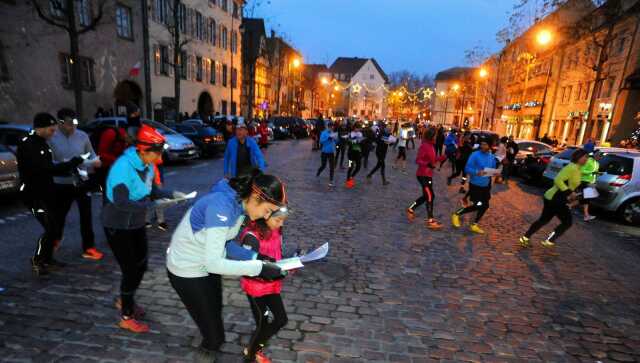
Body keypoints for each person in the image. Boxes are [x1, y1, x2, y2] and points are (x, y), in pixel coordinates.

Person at [166, 171, 285, 362]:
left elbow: (225, 243)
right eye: (268, 210)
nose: (267, 215)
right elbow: (214, 263)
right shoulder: (221, 206)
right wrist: (258, 268)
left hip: (204, 265)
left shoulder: (240, 205)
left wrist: (256, 256)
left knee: (214, 315)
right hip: (186, 270)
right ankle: (206, 350)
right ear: (255, 197)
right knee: (215, 337)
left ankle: (209, 339)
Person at [103, 125, 185, 333]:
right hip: (118, 224)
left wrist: (173, 194)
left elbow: (152, 191)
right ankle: (126, 315)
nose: (159, 159)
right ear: (143, 150)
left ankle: (125, 299)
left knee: (141, 265)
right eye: (157, 154)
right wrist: (151, 206)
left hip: (136, 222)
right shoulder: (123, 167)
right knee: (130, 269)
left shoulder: (147, 165)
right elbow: (121, 202)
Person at [17, 113, 84, 276]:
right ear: (40, 128)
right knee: (50, 227)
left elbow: (49, 165)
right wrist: (70, 164)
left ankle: (47, 258)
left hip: (46, 191)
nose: (53, 133)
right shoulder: (29, 144)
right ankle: (38, 260)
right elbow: (44, 168)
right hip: (33, 194)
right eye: (51, 129)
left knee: (55, 227)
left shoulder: (42, 142)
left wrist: (68, 167)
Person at [234, 207, 290, 363]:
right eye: (277, 220)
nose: (280, 225)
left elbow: (276, 255)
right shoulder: (252, 237)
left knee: (281, 320)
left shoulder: (277, 230)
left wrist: (288, 263)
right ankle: (250, 355)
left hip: (271, 285)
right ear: (265, 216)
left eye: (283, 221)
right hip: (255, 288)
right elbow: (247, 269)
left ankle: (254, 348)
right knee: (262, 323)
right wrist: (274, 271)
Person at [49, 108, 103, 260]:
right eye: (68, 124)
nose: (72, 127)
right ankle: (54, 241)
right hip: (61, 183)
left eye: (75, 123)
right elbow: (48, 162)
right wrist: (62, 164)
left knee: (86, 216)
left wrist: (95, 161)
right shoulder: (52, 137)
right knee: (59, 216)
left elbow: (91, 153)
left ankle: (89, 247)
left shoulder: (82, 136)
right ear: (59, 123)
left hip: (82, 181)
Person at [519, 149, 589, 249]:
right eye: (585, 157)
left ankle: (526, 237)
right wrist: (570, 192)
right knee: (567, 222)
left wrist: (583, 185)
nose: (587, 159)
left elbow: (571, 182)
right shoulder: (571, 167)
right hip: (556, 198)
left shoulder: (577, 169)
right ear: (578, 157)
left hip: (555, 197)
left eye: (587, 157)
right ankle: (549, 240)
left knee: (544, 220)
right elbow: (558, 180)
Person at [451, 136, 498, 234]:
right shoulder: (474, 155)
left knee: (485, 206)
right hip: (475, 184)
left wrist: (496, 172)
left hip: (486, 185)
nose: (482, 146)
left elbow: (493, 170)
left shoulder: (492, 156)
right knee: (478, 205)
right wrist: (477, 172)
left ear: (489, 146)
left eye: (485, 144)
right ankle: (456, 214)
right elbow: (467, 169)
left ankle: (474, 224)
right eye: (481, 144)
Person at [407, 127, 446, 229]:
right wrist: (428, 164)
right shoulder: (424, 146)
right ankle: (431, 220)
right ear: (432, 136)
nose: (437, 137)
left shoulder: (431, 146)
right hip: (422, 174)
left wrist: (444, 157)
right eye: (436, 135)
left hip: (428, 175)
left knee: (426, 196)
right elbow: (418, 160)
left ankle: (411, 209)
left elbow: (433, 160)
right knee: (430, 196)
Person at [579, 150, 602, 222]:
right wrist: (592, 172)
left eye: (600, 156)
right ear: (594, 155)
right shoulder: (588, 161)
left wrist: (597, 173)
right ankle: (586, 215)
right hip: (585, 181)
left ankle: (569, 205)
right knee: (587, 199)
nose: (599, 157)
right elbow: (582, 170)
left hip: (591, 182)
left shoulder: (597, 163)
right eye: (598, 155)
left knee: (586, 198)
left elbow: (594, 173)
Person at [316, 121, 337, 187]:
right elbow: (321, 141)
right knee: (323, 165)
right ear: (327, 127)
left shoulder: (333, 133)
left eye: (332, 127)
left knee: (332, 167)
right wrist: (328, 138)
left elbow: (336, 142)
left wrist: (336, 139)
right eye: (330, 127)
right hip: (324, 152)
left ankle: (331, 181)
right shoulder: (323, 133)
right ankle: (319, 172)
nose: (331, 129)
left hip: (331, 152)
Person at [345, 122, 364, 188]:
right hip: (351, 154)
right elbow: (348, 142)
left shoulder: (361, 134)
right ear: (354, 128)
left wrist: (361, 141)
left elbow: (362, 143)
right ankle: (348, 181)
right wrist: (352, 141)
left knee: (358, 166)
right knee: (350, 167)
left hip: (358, 153)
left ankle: (351, 176)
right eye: (356, 128)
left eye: (358, 128)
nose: (357, 129)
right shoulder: (350, 134)